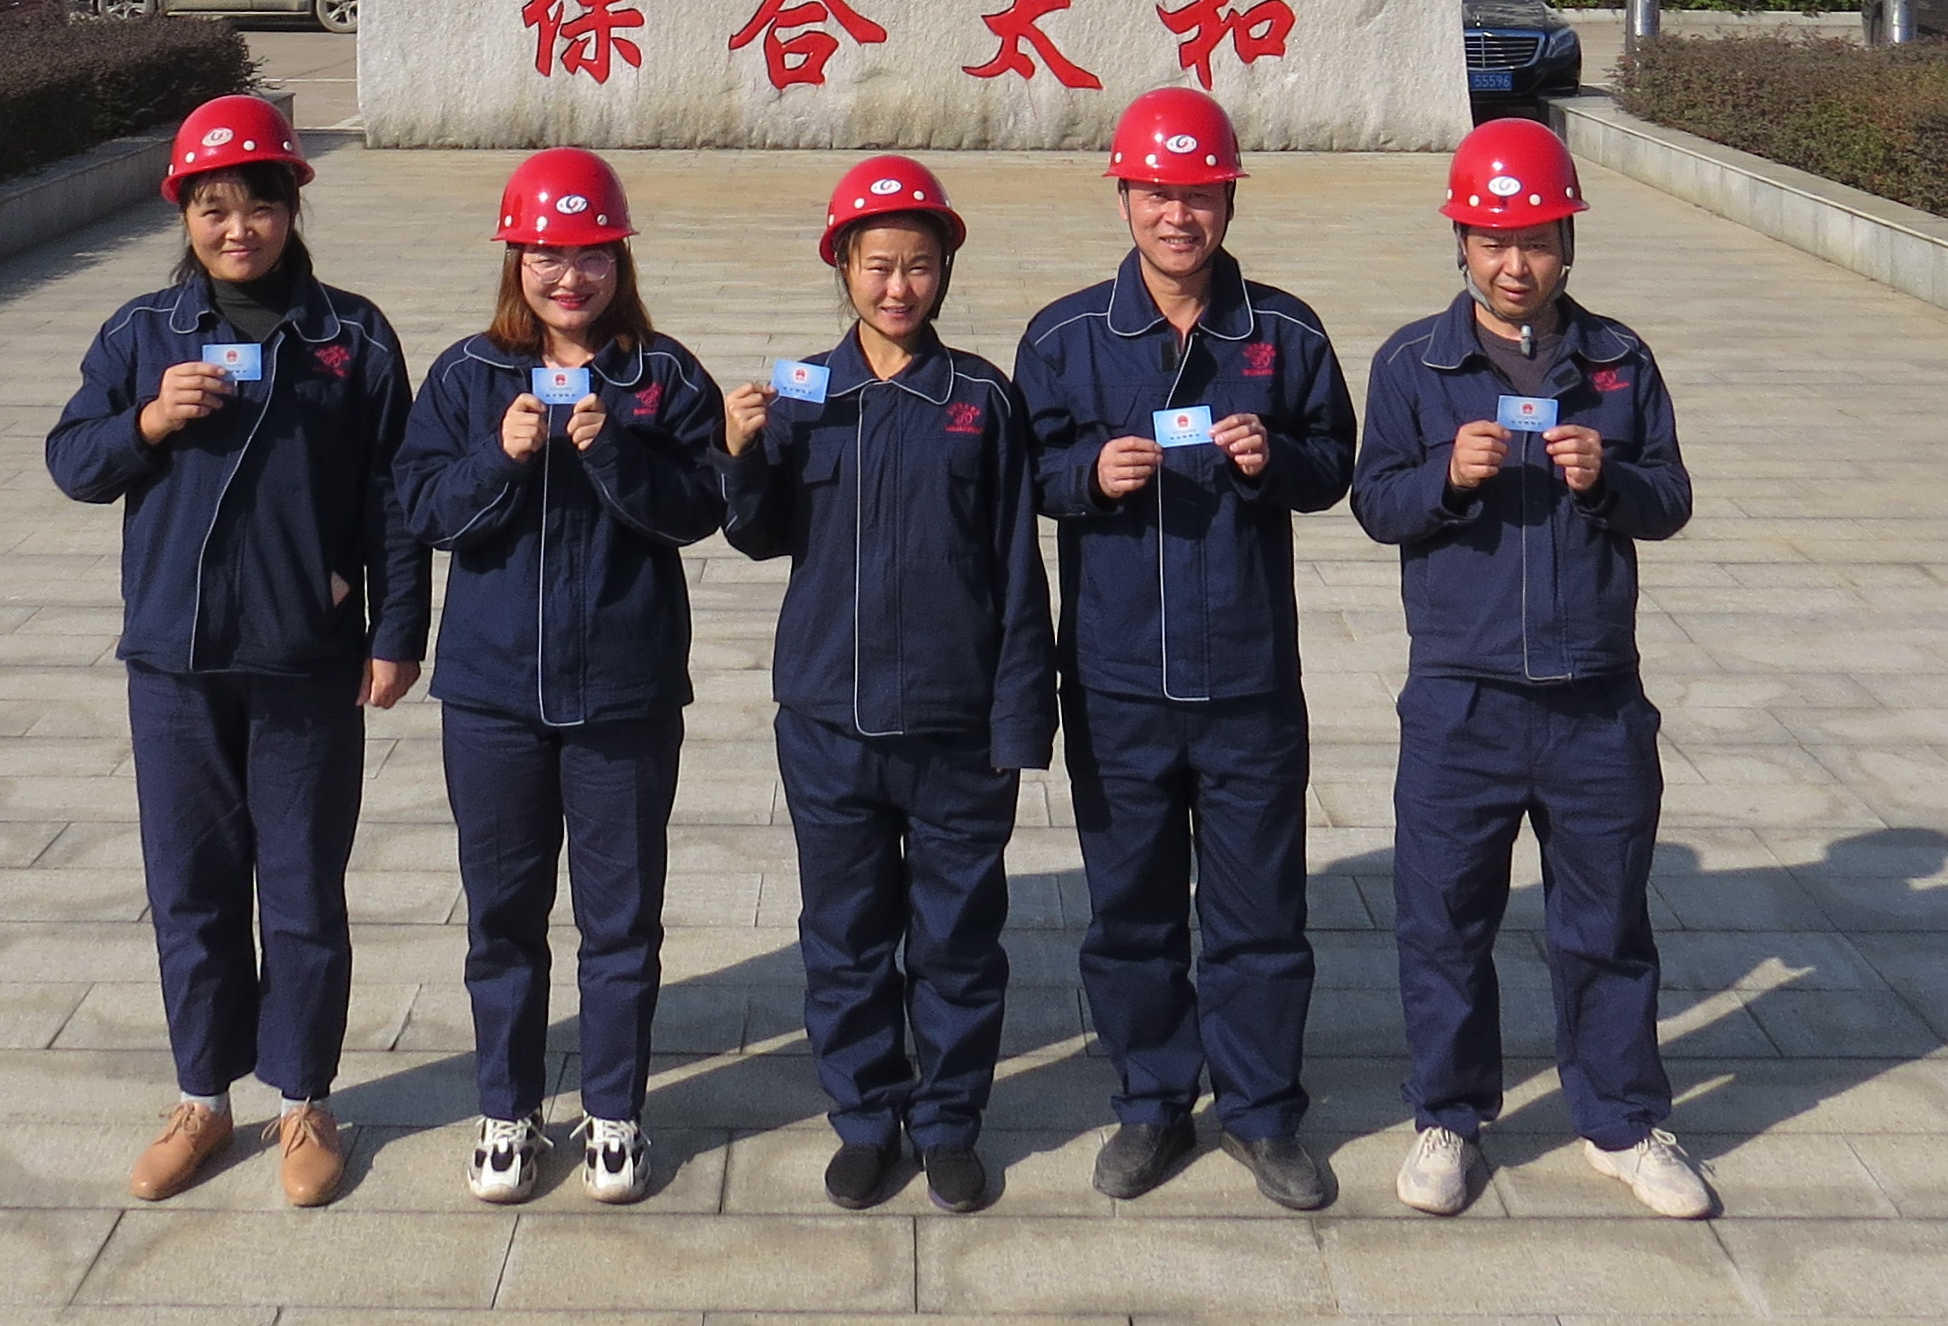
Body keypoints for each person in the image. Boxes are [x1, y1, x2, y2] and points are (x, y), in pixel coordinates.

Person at [44, 94, 427, 1209]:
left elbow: (394, 499)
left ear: (291, 208)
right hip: (176, 662)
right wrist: (149, 421)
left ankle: (304, 1099)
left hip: (306, 658)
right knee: (191, 890)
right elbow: (73, 462)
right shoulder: (141, 335)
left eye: (257, 205)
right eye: (212, 209)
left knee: (302, 888)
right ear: (185, 217)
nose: (237, 229)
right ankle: (202, 1099)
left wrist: (397, 631)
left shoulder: (351, 337)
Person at [1347, 115, 1711, 1224]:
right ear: (1460, 240)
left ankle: (1621, 1120)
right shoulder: (1414, 363)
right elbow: (1374, 502)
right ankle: (1449, 1117)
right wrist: (1444, 481)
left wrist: (1607, 478)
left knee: (1605, 925)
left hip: (1594, 696)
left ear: (1568, 244)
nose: (1516, 264)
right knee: (1444, 921)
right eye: (1494, 240)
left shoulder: (1618, 361)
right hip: (1460, 697)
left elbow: (1670, 499)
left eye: (1538, 241)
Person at [1012, 86, 1356, 1212]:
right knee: (1133, 914)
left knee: (1261, 914)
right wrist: (1086, 475)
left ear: (1228, 200)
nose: (1178, 215)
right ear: (1123, 196)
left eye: (1199, 193)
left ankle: (1262, 1113)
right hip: (1116, 679)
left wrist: (1275, 460)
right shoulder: (1064, 337)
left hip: (1249, 679)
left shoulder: (1284, 332)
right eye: (1157, 192)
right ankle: (1152, 1103)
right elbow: (1022, 472)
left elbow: (1335, 465)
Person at [720, 154, 1055, 1215]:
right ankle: (866, 1118)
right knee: (846, 937)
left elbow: (1017, 569)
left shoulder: (982, 399)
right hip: (828, 724)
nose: (898, 286)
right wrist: (741, 453)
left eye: (918, 265)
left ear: (944, 269)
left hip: (957, 729)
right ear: (843, 268)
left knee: (958, 940)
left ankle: (949, 1121)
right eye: (877, 265)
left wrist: (1018, 721)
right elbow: (757, 534)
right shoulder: (803, 395)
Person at [392, 149, 726, 1210]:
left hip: (624, 693)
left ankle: (615, 1112)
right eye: (546, 255)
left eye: (589, 256)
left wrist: (616, 453)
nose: (568, 277)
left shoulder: (663, 374)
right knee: (503, 917)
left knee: (621, 919)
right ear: (515, 260)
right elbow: (421, 509)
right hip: (491, 696)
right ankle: (508, 1108)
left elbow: (704, 506)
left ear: (619, 260)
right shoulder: (467, 374)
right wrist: (498, 455)